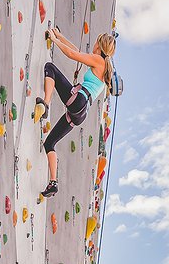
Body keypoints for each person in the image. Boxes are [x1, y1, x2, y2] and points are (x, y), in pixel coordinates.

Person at [34, 27, 116, 199]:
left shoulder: (98, 60)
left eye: (96, 42)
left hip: (78, 100)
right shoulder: (104, 68)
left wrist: (54, 40)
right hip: (80, 114)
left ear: (99, 47)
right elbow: (77, 52)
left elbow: (72, 55)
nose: (93, 44)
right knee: (49, 143)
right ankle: (53, 183)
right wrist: (60, 35)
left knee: (50, 68)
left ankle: (46, 104)